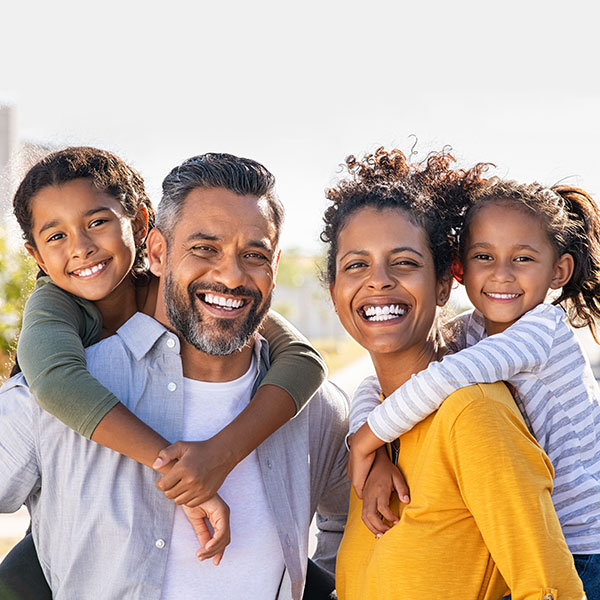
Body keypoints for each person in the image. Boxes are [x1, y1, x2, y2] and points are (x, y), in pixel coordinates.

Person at [0, 152, 349, 599]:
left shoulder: (315, 408)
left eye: (254, 254)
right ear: (160, 251)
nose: (230, 274)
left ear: (275, 266)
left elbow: (351, 521)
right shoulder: (43, 395)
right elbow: (53, 379)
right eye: (205, 249)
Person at [322, 147, 585, 598]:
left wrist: (368, 439)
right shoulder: (379, 436)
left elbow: (549, 589)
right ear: (334, 291)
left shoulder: (472, 412)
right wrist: (372, 441)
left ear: (446, 282)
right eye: (356, 265)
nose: (378, 280)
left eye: (404, 261)